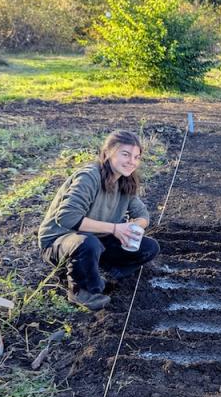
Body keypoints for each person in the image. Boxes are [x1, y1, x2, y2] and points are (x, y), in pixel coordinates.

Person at [38, 130, 160, 311]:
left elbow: (143, 216)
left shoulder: (125, 181)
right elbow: (67, 217)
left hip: (95, 240)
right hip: (60, 241)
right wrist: (115, 228)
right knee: (88, 243)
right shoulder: (89, 176)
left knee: (149, 247)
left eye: (136, 157)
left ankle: (106, 273)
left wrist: (131, 228)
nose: (132, 162)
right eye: (125, 154)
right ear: (107, 153)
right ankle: (82, 290)